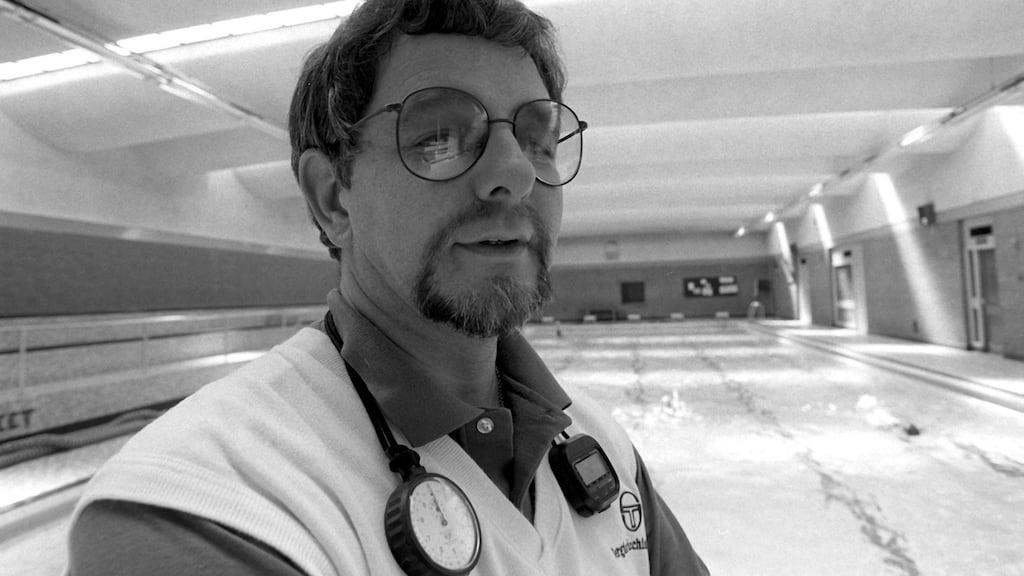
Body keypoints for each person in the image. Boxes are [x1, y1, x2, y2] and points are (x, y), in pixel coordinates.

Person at [65, 1, 710, 574]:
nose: (514, 171)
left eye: (537, 137)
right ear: (332, 199)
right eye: (439, 137)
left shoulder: (604, 449)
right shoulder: (210, 504)